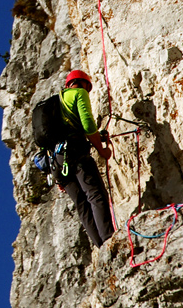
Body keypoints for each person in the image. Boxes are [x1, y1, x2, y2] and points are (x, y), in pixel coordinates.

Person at [54, 69, 114, 247]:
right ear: (85, 84)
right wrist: (101, 149)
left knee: (82, 205)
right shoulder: (79, 93)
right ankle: (109, 240)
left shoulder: (56, 101)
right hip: (75, 153)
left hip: (56, 162)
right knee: (95, 195)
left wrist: (58, 177)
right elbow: (88, 125)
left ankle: (100, 246)